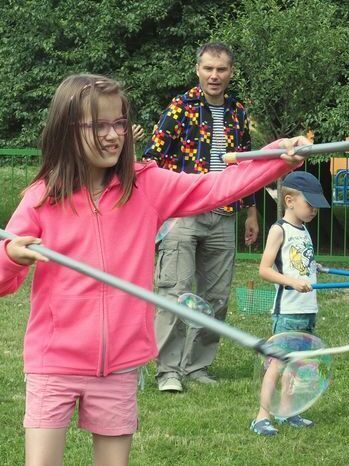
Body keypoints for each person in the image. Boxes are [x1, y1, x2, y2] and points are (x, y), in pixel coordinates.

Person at [0, 74, 305, 465]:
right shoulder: (43, 198)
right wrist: (11, 255)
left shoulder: (146, 186)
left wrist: (276, 156)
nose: (114, 135)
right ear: (68, 129)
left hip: (120, 363)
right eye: (99, 125)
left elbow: (218, 188)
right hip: (54, 362)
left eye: (119, 123)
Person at [143, 42, 261, 392]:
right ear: (198, 69)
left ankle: (196, 366)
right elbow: (154, 159)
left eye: (221, 69)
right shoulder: (180, 108)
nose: (214, 75)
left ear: (231, 73)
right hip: (183, 213)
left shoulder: (238, 113)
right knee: (174, 293)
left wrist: (251, 211)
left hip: (224, 215)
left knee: (217, 297)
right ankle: (168, 371)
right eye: (208, 68)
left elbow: (247, 168)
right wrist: (162, 207)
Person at [250, 171, 330, 436]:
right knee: (277, 364)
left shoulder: (304, 230)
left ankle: (287, 411)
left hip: (308, 309)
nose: (314, 211)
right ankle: (262, 416)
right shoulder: (278, 229)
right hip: (288, 311)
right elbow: (264, 269)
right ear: (289, 200)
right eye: (310, 205)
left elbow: (296, 260)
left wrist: (312, 266)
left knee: (296, 364)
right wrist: (292, 282)